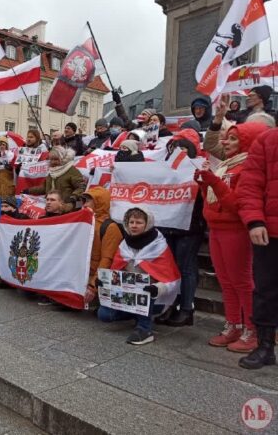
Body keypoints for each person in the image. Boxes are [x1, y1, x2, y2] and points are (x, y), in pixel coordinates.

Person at [195, 122, 267, 352]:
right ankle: (234, 324)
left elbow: (236, 205)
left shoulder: (246, 168)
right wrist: (203, 183)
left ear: (247, 142)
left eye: (233, 139)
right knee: (226, 281)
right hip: (217, 228)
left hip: (235, 230)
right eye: (227, 138)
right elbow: (213, 201)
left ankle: (252, 330)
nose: (225, 142)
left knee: (242, 282)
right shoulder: (226, 166)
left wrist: (212, 181)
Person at [97, 206, 180, 345]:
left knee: (146, 293)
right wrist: (105, 282)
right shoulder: (124, 245)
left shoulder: (159, 246)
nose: (134, 226)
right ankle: (137, 314)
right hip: (128, 294)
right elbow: (117, 272)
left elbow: (172, 279)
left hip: (154, 298)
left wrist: (157, 289)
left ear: (147, 224)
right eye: (131, 222)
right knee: (104, 315)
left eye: (139, 222)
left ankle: (145, 329)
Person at [237, 127, 278, 369]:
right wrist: (254, 220)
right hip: (270, 232)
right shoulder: (267, 139)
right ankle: (264, 346)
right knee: (266, 291)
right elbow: (250, 184)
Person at [157, 136, 206, 327]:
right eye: (175, 152)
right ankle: (172, 306)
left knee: (186, 267)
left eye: (182, 152)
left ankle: (186, 309)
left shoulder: (198, 170)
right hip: (169, 227)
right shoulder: (166, 172)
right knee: (172, 269)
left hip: (190, 228)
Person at [82, 187, 124, 307]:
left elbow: (107, 260)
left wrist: (92, 286)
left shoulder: (110, 227)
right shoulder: (85, 221)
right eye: (84, 201)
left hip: (97, 278)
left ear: (98, 203)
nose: (84, 205)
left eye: (88, 201)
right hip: (84, 273)